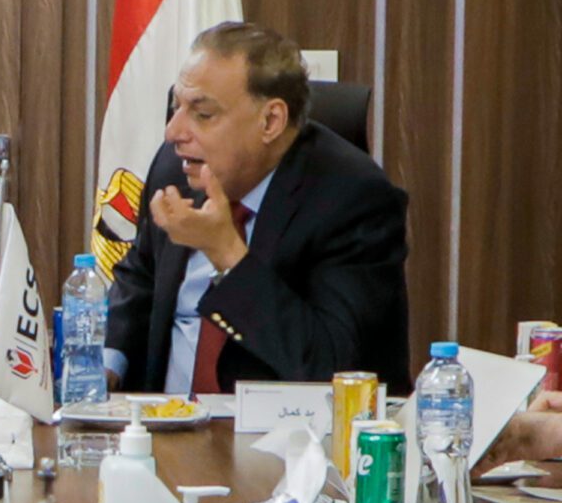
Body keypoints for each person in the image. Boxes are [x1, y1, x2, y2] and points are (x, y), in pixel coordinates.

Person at [105, 21, 410, 395]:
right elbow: (140, 276)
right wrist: (106, 364)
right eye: (176, 107)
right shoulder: (178, 167)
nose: (173, 133)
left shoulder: (354, 199)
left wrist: (228, 255)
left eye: (203, 114)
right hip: (165, 422)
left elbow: (332, 367)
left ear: (270, 121)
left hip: (283, 428)